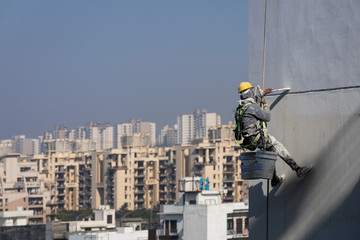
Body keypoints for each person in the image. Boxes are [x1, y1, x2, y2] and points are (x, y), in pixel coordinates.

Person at [234, 82, 311, 187]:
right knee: (278, 147)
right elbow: (267, 117)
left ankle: (274, 179)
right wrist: (265, 104)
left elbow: (252, 104)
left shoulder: (240, 108)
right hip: (258, 138)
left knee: (271, 154)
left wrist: (263, 94)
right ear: (249, 92)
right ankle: (298, 169)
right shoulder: (253, 107)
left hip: (249, 140)